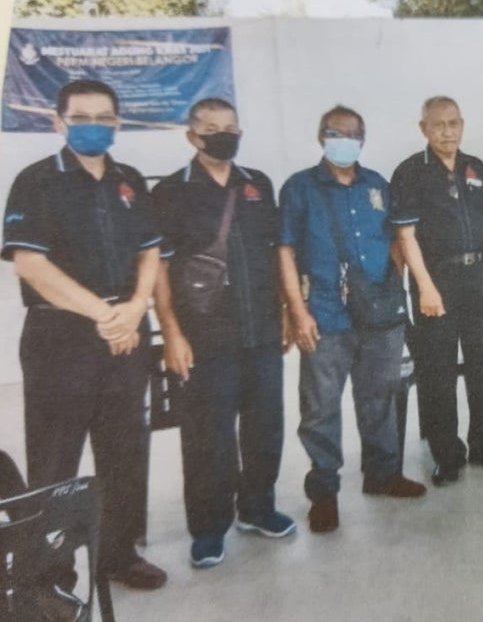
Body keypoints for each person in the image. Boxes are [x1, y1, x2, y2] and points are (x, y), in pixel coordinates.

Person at [1, 79, 167, 588]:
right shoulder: (36, 181)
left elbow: (150, 251)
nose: (93, 126)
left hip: (126, 335)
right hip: (61, 337)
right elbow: (30, 264)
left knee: (125, 452)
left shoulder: (130, 180)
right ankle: (51, 575)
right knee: (55, 461)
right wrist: (105, 314)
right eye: (81, 117)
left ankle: (117, 554)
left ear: (117, 123)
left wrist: (135, 308)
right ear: (59, 122)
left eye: (104, 118)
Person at [151, 98, 296, 568]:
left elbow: (277, 253)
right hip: (204, 336)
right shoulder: (171, 192)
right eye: (211, 128)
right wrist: (171, 332)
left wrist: (288, 311)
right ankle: (209, 527)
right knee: (207, 435)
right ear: (192, 136)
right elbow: (159, 268)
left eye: (230, 127)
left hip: (261, 330)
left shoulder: (257, 184)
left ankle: (258, 507)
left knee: (265, 426)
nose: (223, 135)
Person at [280, 105, 426, 534]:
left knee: (380, 396)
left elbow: (397, 239)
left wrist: (391, 289)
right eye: (335, 132)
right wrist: (296, 311)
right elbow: (285, 251)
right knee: (321, 407)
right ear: (320, 136)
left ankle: (383, 474)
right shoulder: (299, 188)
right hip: (325, 314)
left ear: (363, 139)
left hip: (378, 312)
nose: (344, 140)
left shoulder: (376, 184)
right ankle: (324, 493)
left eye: (352, 134)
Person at [389, 96, 483, 486]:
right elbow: (406, 237)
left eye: (453, 123)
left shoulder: (475, 167)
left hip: (477, 278)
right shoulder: (410, 172)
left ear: (462, 125)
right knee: (438, 372)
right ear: (424, 129)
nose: (447, 131)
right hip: (436, 280)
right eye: (438, 124)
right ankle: (446, 455)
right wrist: (425, 288)